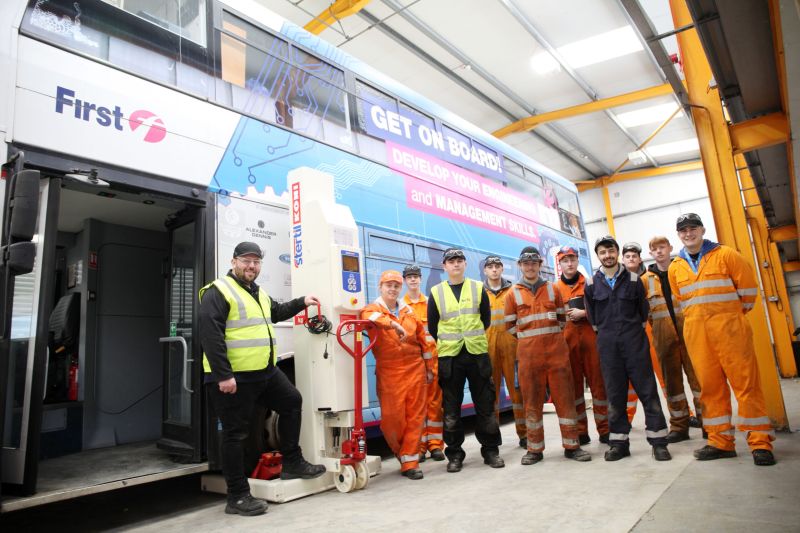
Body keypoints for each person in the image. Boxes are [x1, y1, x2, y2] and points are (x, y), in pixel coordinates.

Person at [199, 242, 325, 517]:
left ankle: (291, 461)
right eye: (246, 261)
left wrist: (301, 302)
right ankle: (237, 496)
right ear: (234, 262)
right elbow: (210, 335)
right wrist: (223, 375)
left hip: (264, 372)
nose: (252, 266)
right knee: (235, 434)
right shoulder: (219, 291)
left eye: (256, 262)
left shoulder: (257, 292)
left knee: (292, 401)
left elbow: (276, 313)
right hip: (234, 378)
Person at [668, 214, 776, 466]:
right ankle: (721, 442)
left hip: (731, 332)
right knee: (710, 389)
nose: (688, 233)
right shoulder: (676, 266)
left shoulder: (727, 255)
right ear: (679, 235)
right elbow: (682, 299)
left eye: (693, 228)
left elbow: (749, 293)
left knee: (746, 386)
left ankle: (760, 443)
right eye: (683, 230)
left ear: (703, 229)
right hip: (697, 336)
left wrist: (729, 317)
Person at [584, 236, 671, 462]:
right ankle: (619, 444)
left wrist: (630, 333)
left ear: (617, 252)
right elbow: (593, 319)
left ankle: (659, 442)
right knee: (615, 395)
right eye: (603, 252)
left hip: (635, 343)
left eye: (611, 250)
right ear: (598, 256)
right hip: (608, 346)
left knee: (648, 392)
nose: (608, 255)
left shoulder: (634, 280)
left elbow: (644, 313)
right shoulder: (592, 284)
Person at [505, 246, 591, 464]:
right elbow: (509, 326)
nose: (530, 267)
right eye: (526, 264)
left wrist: (546, 338)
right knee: (532, 402)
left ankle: (572, 445)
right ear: (520, 266)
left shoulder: (553, 289)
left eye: (534, 263)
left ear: (539, 265)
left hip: (556, 355)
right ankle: (534, 449)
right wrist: (529, 339)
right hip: (528, 356)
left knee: (565, 399)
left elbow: (562, 320)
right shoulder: (512, 293)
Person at [428, 247, 504, 472]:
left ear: (465, 264)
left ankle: (491, 452)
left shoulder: (477, 288)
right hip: (450, 357)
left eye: (459, 260)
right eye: (451, 261)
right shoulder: (436, 292)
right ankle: (454, 455)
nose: (456, 264)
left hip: (477, 354)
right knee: (451, 409)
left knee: (485, 407)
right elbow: (433, 326)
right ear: (445, 266)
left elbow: (485, 320)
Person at [361, 270, 432, 479]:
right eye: (388, 285)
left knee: (415, 417)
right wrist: (392, 323)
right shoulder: (372, 309)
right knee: (392, 419)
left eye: (396, 286)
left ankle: (410, 461)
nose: (392, 289)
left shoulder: (410, 312)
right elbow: (367, 316)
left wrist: (430, 369)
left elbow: (425, 342)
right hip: (390, 372)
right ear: (380, 287)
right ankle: (401, 450)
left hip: (415, 369)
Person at [642, 236, 703, 443]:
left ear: (670, 248)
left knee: (699, 381)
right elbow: (646, 312)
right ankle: (679, 427)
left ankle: (709, 423)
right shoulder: (645, 280)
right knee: (672, 386)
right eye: (654, 249)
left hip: (690, 334)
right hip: (664, 339)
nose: (659, 252)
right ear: (650, 253)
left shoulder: (682, 271)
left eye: (662, 247)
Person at [553, 245, 609, 445]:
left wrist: (584, 313)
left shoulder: (591, 283)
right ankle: (581, 432)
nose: (569, 263)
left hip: (591, 340)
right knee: (574, 389)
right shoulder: (555, 289)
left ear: (578, 261)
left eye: (572, 259)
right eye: (565, 260)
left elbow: (603, 308)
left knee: (599, 386)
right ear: (559, 264)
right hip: (568, 344)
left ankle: (605, 430)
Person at [401, 264, 445, 463]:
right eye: (409, 277)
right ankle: (419, 446)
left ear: (420, 279)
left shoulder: (430, 303)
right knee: (415, 407)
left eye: (415, 276)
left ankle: (435, 445)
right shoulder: (401, 307)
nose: (413, 280)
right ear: (405, 280)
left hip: (433, 361)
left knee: (434, 403)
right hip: (413, 362)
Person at [620, 242, 668, 423]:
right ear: (622, 260)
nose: (631, 259)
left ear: (640, 259)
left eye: (634, 256)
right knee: (631, 381)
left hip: (653, 331)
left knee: (664, 375)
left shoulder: (651, 278)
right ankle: (627, 419)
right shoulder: (619, 281)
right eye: (628, 256)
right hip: (632, 335)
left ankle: (683, 414)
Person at [482, 255, 526, 448]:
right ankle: (493, 438)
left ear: (502, 269)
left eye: (497, 266)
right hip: (488, 348)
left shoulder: (513, 290)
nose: (493, 270)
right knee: (491, 395)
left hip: (512, 348)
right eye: (490, 267)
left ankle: (524, 435)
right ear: (485, 270)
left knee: (518, 393)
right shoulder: (480, 293)